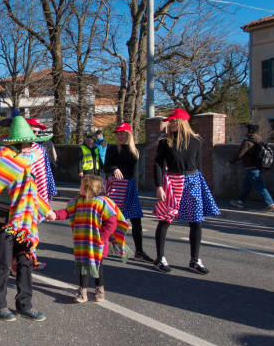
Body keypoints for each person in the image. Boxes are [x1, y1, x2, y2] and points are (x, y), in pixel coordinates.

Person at [0, 116, 55, 322]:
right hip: (4, 218)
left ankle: (25, 304)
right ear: (15, 142)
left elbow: (30, 191)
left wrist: (45, 209)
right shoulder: (1, 158)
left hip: (23, 220)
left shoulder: (24, 160)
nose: (30, 146)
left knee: (25, 260)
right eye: (27, 142)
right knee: (4, 262)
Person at [153, 109, 220, 274]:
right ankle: (159, 258)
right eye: (170, 121)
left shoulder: (196, 141)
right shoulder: (164, 141)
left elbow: (198, 164)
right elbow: (158, 164)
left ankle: (194, 260)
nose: (170, 123)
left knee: (196, 220)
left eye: (173, 121)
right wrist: (159, 186)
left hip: (193, 180)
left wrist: (200, 185)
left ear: (182, 122)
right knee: (165, 218)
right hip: (173, 181)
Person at [50, 174, 130, 303]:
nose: (79, 186)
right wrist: (55, 215)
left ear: (89, 188)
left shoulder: (101, 203)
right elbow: (67, 212)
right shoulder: (77, 201)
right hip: (82, 243)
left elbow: (112, 222)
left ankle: (100, 288)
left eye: (82, 185)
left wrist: (102, 238)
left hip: (98, 244)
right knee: (83, 266)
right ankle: (83, 291)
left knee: (98, 267)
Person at [104, 122, 153, 262]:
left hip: (131, 187)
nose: (119, 136)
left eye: (122, 133)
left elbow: (136, 172)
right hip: (116, 187)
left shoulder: (135, 150)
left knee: (136, 220)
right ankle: (103, 245)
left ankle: (139, 251)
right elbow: (105, 166)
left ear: (129, 134)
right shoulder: (113, 149)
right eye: (118, 134)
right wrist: (114, 168)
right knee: (111, 219)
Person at [227, 124, 274, 212]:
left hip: (251, 167)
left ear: (249, 131)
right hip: (255, 167)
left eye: (245, 129)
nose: (244, 131)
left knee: (259, 186)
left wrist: (230, 162)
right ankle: (240, 201)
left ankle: (271, 205)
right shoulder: (259, 139)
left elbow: (240, 154)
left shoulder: (248, 142)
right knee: (246, 186)